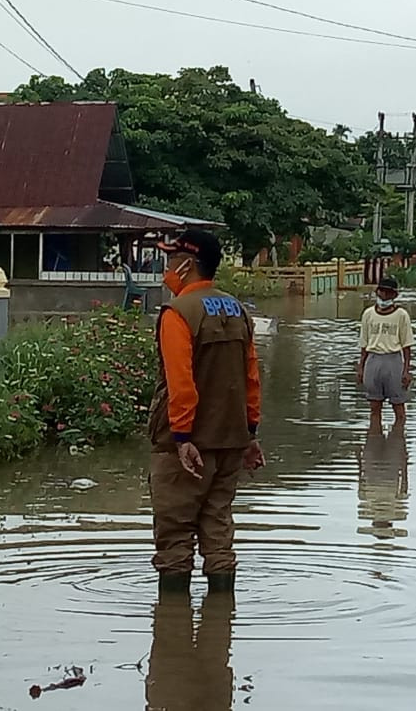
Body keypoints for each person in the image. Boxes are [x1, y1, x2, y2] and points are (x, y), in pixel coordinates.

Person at [148, 229, 264, 595]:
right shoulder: (237, 309)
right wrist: (251, 436)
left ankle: (173, 637)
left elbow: (180, 382)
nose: (166, 266)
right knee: (218, 533)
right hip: (231, 441)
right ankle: (219, 631)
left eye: (171, 259)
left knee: (175, 540)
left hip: (187, 446)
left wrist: (182, 438)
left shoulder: (177, 313)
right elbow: (251, 378)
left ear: (186, 265)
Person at [357, 276, 413, 435]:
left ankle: (398, 443)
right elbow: (364, 344)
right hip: (373, 360)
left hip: (393, 360)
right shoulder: (368, 314)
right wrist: (361, 368)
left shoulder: (401, 315)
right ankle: (374, 441)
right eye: (382, 292)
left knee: (398, 406)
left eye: (389, 293)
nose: (384, 296)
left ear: (395, 295)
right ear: (377, 292)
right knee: (374, 407)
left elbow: (407, 346)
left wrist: (406, 370)